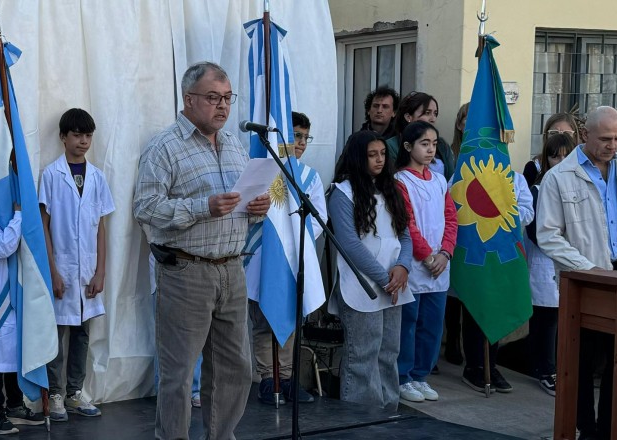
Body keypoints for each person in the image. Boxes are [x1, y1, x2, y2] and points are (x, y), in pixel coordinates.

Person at [133, 61, 271, 440]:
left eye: (228, 98)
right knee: (178, 374)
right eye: (213, 98)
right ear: (188, 99)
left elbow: (241, 205)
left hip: (232, 269)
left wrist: (258, 209)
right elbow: (145, 209)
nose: (223, 106)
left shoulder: (235, 147)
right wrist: (202, 207)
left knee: (235, 368)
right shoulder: (164, 148)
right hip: (186, 272)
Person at [537, 106, 617, 440]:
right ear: (584, 135)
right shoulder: (558, 177)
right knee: (583, 364)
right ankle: (587, 430)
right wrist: (590, 270)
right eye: (605, 139)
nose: (612, 145)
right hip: (585, 285)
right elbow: (548, 235)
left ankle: (611, 428)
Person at [328, 130, 413, 409]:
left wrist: (402, 267)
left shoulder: (392, 189)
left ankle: (389, 408)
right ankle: (361, 417)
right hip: (362, 284)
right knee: (363, 354)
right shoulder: (343, 193)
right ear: (357, 158)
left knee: (389, 352)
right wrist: (383, 277)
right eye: (371, 155)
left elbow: (405, 235)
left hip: (394, 284)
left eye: (382, 154)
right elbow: (350, 244)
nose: (379, 160)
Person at [40, 108, 115, 421]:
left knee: (82, 334)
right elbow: (44, 226)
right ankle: (55, 393)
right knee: (55, 333)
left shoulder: (97, 177)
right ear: (63, 137)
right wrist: (52, 272)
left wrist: (100, 271)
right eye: (77, 135)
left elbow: (100, 226)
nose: (83, 141)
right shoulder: (51, 175)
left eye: (88, 135)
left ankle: (74, 392)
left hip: (87, 273)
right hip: (62, 271)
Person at [248, 111, 326, 405]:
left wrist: (294, 241)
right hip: (262, 258)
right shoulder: (261, 172)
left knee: (291, 320)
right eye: (295, 136)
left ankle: (290, 379)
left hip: (294, 259)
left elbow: (319, 219)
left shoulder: (308, 177)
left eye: (305, 136)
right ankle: (268, 379)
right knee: (264, 319)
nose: (301, 142)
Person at [0, 167, 46, 435]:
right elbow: (3, 247)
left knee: (16, 352)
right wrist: (17, 217)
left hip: (20, 294)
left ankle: (15, 405)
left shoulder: (21, 216)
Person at [394, 121, 457, 402]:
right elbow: (407, 224)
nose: (430, 149)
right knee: (409, 323)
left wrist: (445, 253)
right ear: (408, 147)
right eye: (424, 143)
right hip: (417, 266)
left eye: (433, 143)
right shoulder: (400, 181)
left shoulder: (441, 181)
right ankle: (403, 376)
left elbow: (451, 219)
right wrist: (427, 256)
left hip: (439, 267)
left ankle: (421, 375)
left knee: (432, 324)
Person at [460, 169, 534, 394]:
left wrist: (501, 213)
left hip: (505, 250)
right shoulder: (464, 172)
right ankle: (473, 366)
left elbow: (527, 212)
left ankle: (491, 365)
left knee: (497, 308)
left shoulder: (516, 178)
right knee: (474, 307)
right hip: (475, 248)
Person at [523, 133, 576, 397]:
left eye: (567, 155)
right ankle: (545, 370)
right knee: (545, 320)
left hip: (568, 263)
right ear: (547, 159)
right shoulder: (537, 188)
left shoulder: (578, 186)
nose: (561, 160)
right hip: (544, 263)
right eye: (556, 156)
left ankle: (550, 367)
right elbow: (535, 231)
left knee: (558, 320)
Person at [148, 252, 203, 408]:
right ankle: (165, 391)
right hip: (165, 265)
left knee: (197, 331)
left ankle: (194, 389)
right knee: (166, 336)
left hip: (195, 269)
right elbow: (146, 228)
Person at [444, 102, 469, 366]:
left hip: (477, 229)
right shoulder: (450, 154)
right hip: (453, 228)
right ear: (460, 123)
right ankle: (451, 339)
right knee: (452, 293)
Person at [386, 92, 455, 182]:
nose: (433, 119)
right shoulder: (391, 145)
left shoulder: (442, 145)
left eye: (435, 113)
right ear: (408, 117)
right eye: (427, 113)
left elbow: (451, 178)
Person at [522, 112, 581, 187]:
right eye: (554, 133)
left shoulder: (584, 165)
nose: (560, 138)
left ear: (575, 137)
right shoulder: (534, 167)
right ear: (546, 136)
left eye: (566, 133)